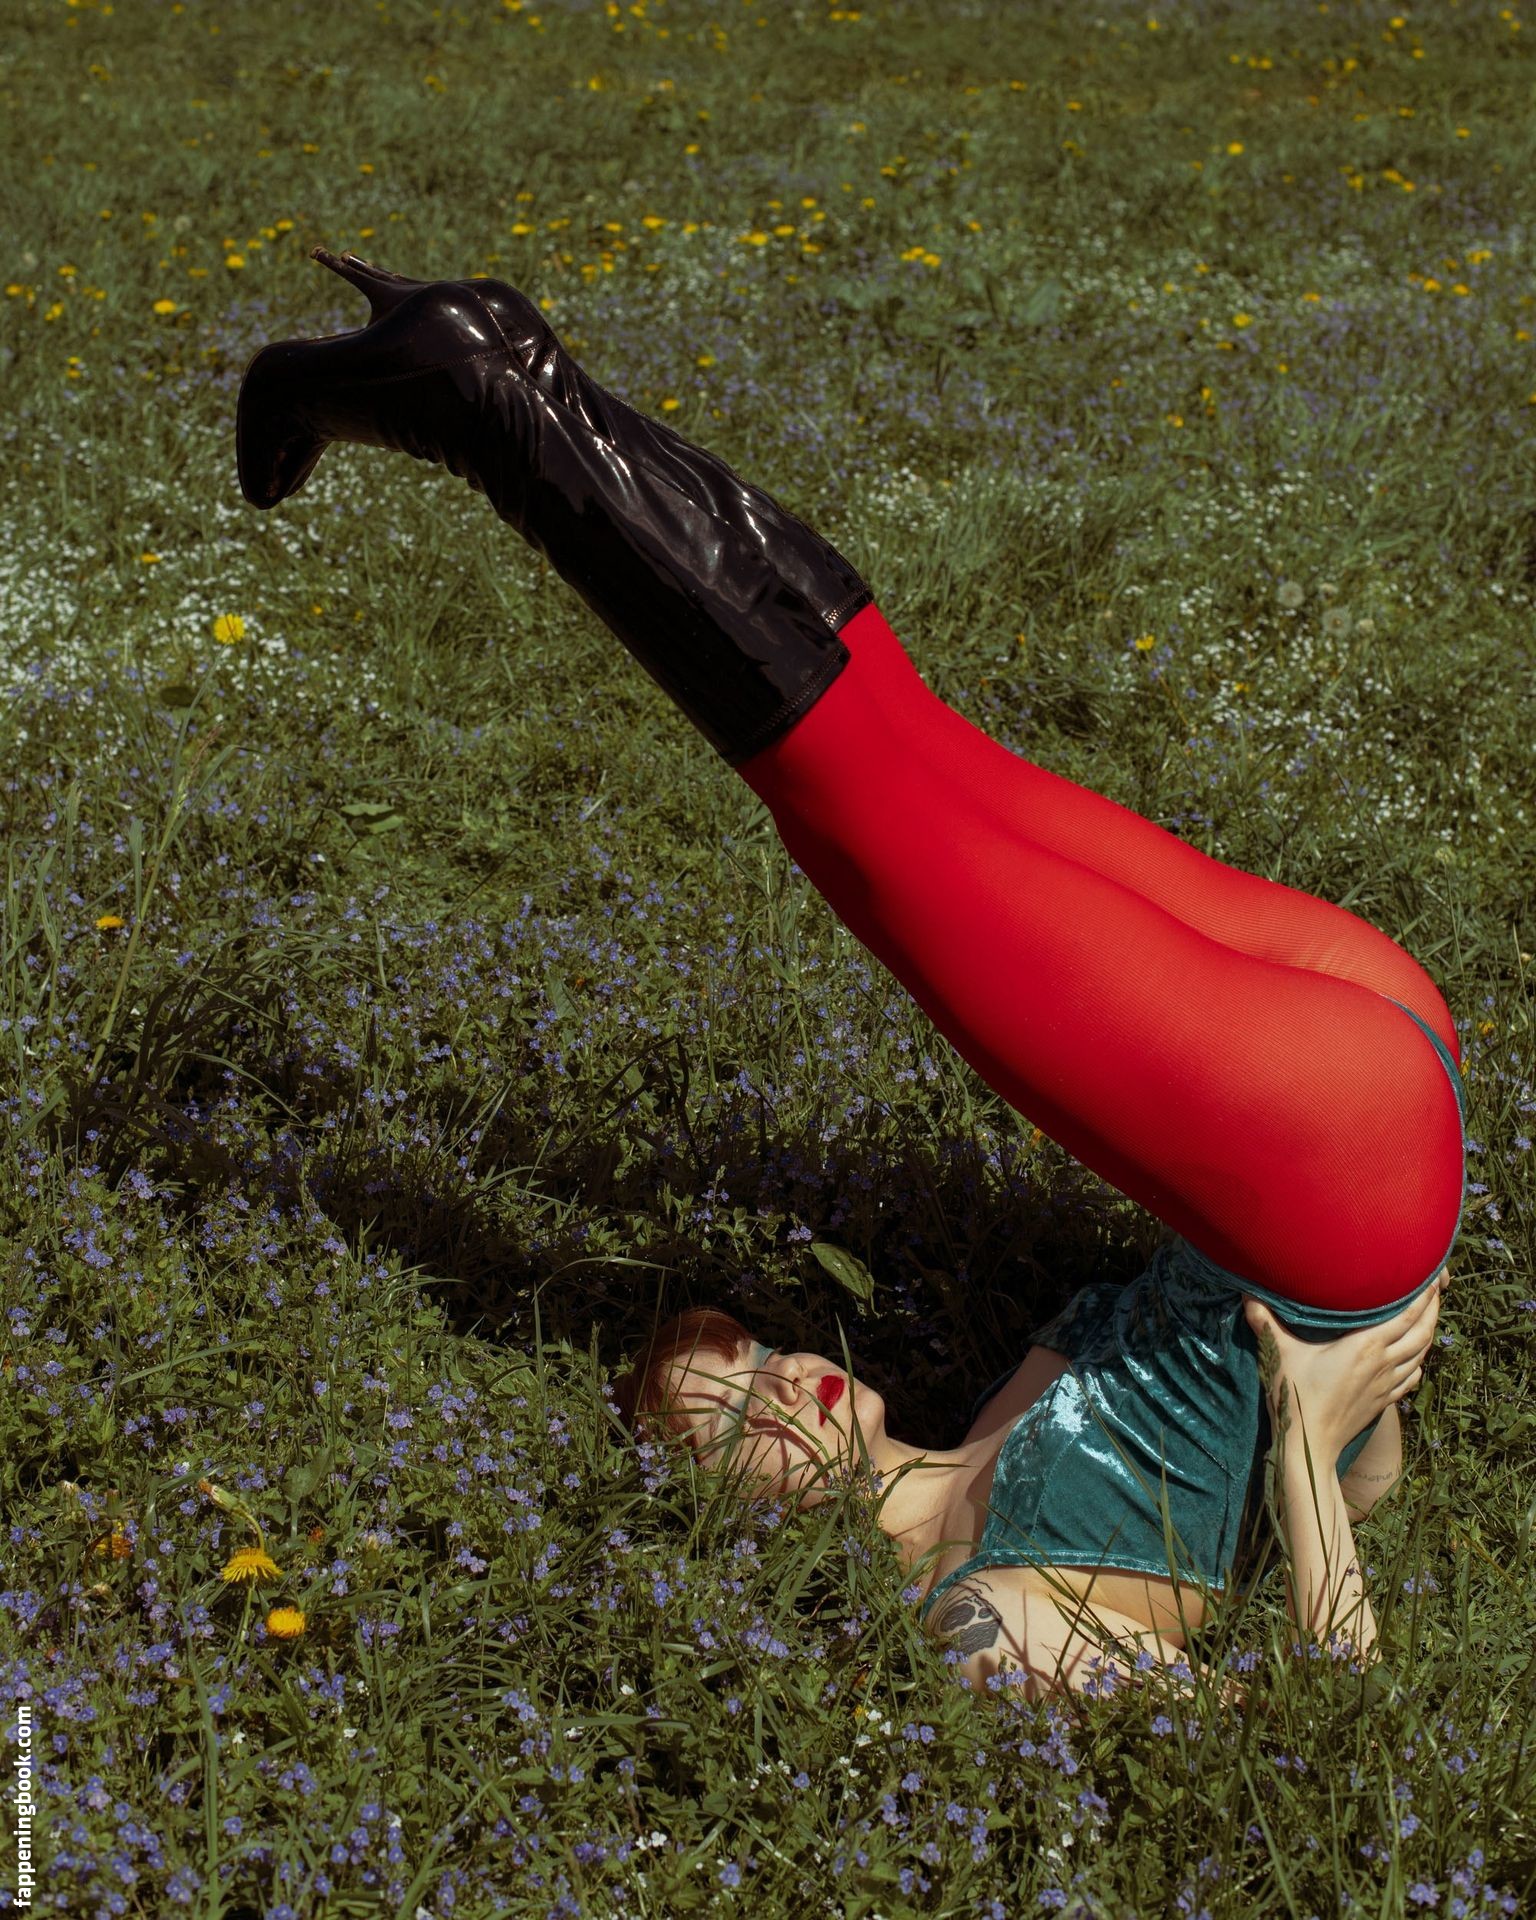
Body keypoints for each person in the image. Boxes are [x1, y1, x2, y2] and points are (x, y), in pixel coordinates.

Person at [237, 250, 1464, 1703]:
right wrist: (1322, 1426)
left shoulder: (984, 1422)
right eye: (734, 1421)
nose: (779, 1377)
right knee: (864, 798)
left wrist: (1327, 1379)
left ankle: (508, 385)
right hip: (1332, 1170)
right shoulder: (982, 1621)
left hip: (1328, 1132)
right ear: (734, 1526)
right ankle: (482, 392)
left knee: (903, 753)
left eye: (748, 1359)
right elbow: (1327, 1717)